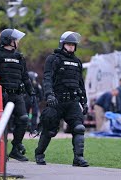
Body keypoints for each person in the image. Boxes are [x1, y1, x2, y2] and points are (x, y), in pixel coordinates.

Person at [34, 31, 89, 167]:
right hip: (56, 101)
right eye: (69, 44)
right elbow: (47, 78)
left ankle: (78, 158)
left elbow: (80, 83)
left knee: (79, 128)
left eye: (73, 45)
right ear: (63, 44)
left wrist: (84, 101)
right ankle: (39, 154)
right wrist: (49, 95)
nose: (71, 47)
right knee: (50, 130)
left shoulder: (77, 62)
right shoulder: (53, 59)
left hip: (72, 102)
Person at [0, 28, 36, 161]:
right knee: (2, 124)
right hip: (1, 96)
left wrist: (31, 92)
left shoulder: (19, 56)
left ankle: (15, 149)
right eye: (15, 39)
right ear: (8, 40)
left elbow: (25, 77)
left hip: (17, 95)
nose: (17, 42)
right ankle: (1, 151)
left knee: (24, 119)